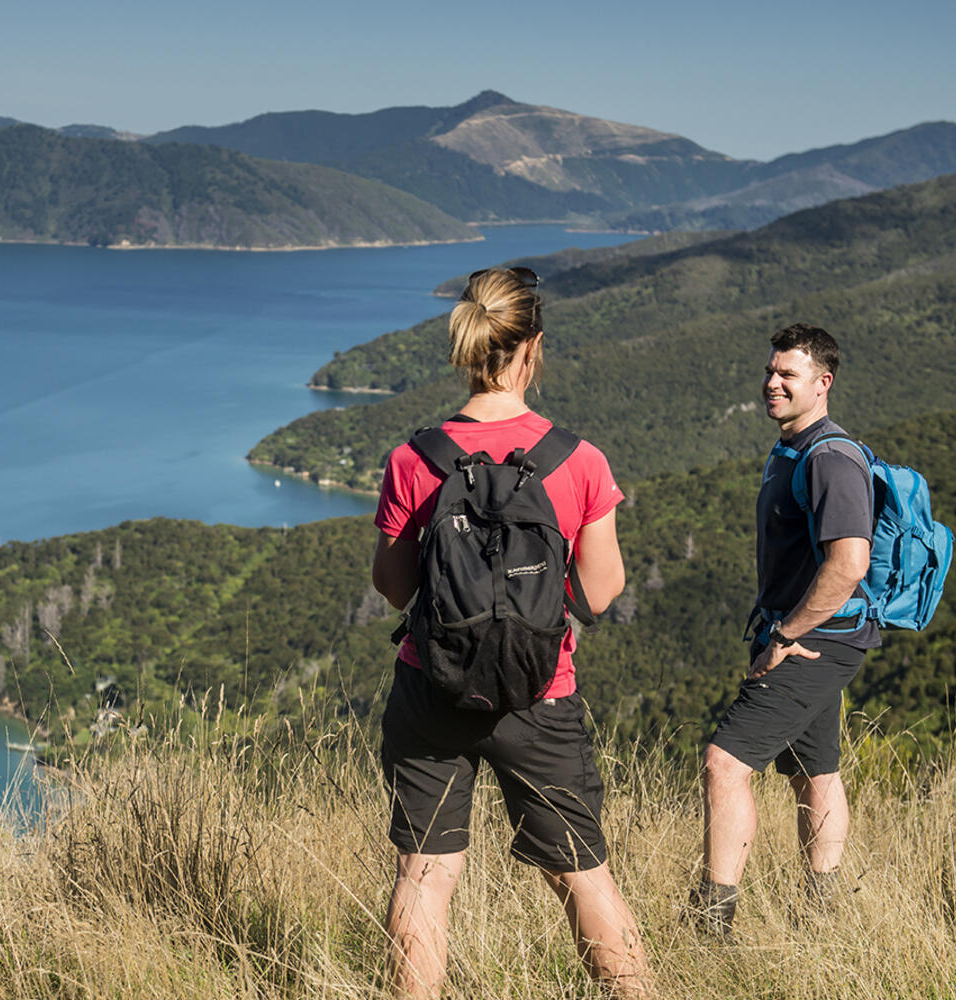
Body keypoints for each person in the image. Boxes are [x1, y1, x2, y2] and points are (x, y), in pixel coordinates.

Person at [370, 267, 652, 999]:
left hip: (432, 690)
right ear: (533, 348)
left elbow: (395, 586)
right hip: (541, 693)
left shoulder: (415, 459)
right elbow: (600, 587)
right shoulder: (577, 460)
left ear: (470, 348)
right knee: (583, 875)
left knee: (424, 877)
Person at [689, 323, 878, 936]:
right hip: (811, 635)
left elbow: (849, 564)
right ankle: (821, 912)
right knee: (814, 771)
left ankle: (711, 922)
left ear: (823, 384)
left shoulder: (831, 458)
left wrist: (785, 636)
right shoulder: (792, 448)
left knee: (724, 763)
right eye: (771, 372)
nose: (772, 383)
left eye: (787, 375)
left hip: (815, 641)